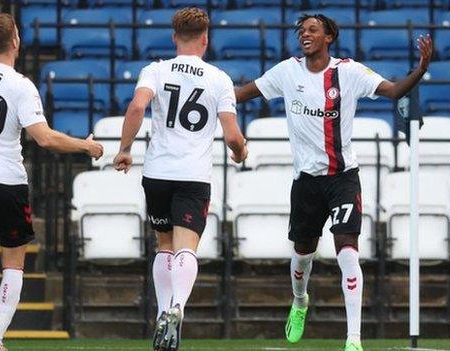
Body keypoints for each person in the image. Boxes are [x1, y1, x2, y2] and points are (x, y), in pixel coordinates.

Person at [233, 14, 433, 351]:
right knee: (302, 256)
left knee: (348, 252)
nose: (304, 35)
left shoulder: (349, 72)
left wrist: (421, 68)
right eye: (301, 31)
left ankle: (353, 339)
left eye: (312, 30)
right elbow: (241, 94)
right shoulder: (286, 71)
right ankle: (300, 302)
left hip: (343, 178)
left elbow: (394, 91)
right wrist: (211, 90)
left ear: (329, 37)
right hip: (306, 182)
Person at [0, 14, 103, 351]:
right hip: (7, 183)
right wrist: (85, 146)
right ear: (15, 41)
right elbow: (44, 139)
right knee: (13, 266)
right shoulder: (20, 86)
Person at [113, 7, 248, 351]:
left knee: (164, 245)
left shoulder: (155, 70)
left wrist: (125, 149)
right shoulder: (219, 79)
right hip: (192, 176)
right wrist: (239, 153)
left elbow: (136, 109)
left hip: (157, 172)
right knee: (187, 247)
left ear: (174, 38)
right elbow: (232, 136)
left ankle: (161, 311)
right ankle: (177, 309)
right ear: (206, 39)